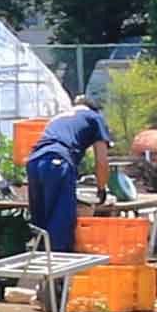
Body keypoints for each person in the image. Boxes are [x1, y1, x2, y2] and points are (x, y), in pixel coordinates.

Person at [23, 94, 110, 253]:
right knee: (61, 220)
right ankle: (59, 273)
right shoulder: (94, 117)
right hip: (58, 161)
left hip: (34, 161)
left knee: (41, 222)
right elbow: (102, 161)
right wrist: (101, 188)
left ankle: (40, 268)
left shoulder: (57, 118)